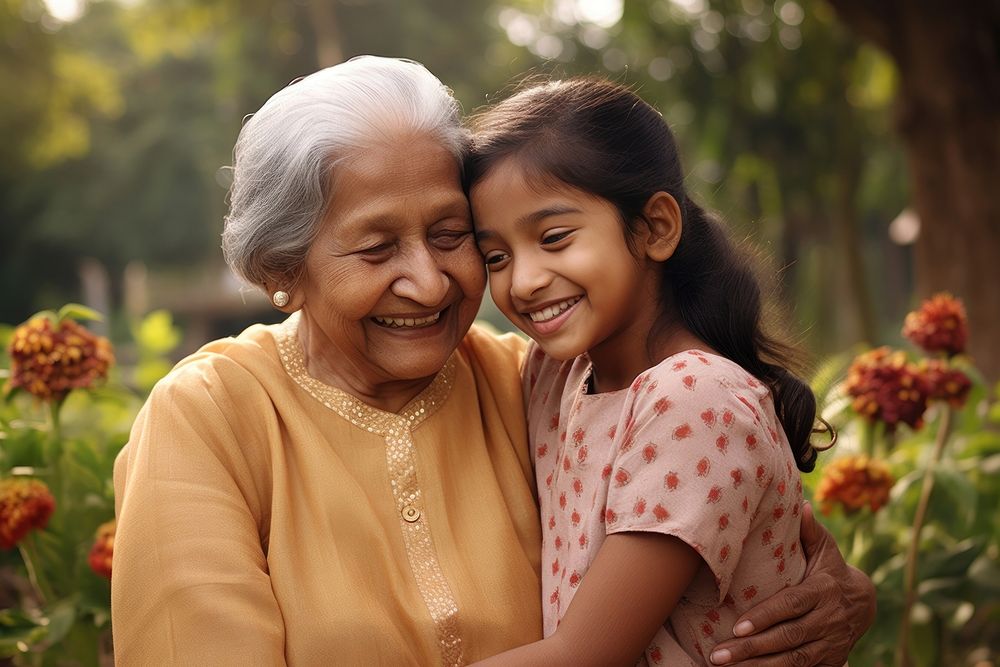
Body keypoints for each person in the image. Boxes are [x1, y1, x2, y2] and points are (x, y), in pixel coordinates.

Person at [111, 56, 874, 665]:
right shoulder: (209, 417)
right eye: (378, 247)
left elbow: (735, 509)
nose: (431, 280)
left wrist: (840, 595)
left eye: (451, 235)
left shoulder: (533, 377)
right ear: (281, 270)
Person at [466, 77, 849, 666]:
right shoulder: (558, 374)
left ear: (655, 228)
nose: (522, 281)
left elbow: (582, 656)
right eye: (497, 256)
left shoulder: (694, 397)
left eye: (555, 237)